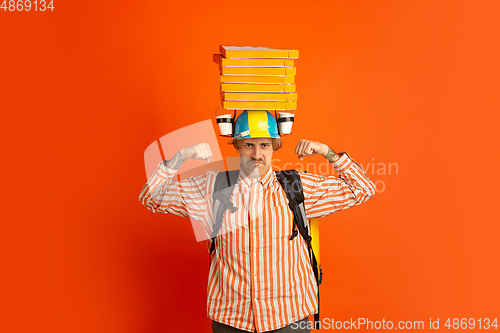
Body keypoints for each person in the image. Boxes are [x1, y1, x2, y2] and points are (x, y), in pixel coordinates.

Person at [139, 110, 376, 333]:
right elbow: (152, 196)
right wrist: (180, 157)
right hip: (231, 319)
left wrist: (327, 152)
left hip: (288, 317)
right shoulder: (212, 188)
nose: (256, 154)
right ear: (237, 146)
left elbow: (362, 188)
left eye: (264, 145)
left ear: (274, 146)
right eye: (248, 145)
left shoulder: (298, 187)